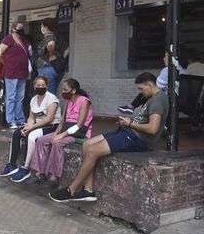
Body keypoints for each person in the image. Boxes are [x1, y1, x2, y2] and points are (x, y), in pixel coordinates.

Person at [49, 72, 168, 203]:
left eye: (141, 88)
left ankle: (71, 190)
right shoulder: (152, 98)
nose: (140, 92)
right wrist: (129, 121)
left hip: (138, 139)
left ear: (149, 85)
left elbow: (153, 129)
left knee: (93, 151)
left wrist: (130, 124)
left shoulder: (158, 100)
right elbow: (143, 121)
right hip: (128, 131)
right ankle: (88, 191)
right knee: (87, 144)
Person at [30, 79, 93, 189]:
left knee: (58, 143)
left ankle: (54, 177)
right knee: (41, 140)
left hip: (79, 133)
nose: (63, 92)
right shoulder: (68, 101)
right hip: (66, 129)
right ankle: (39, 172)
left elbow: (80, 124)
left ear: (73, 90)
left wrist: (62, 135)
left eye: (65, 90)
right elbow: (63, 121)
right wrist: (56, 132)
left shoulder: (85, 101)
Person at [0, 76, 62, 183]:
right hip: (38, 125)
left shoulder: (52, 99)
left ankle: (25, 168)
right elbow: (31, 117)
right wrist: (27, 127)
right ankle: (12, 164)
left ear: (47, 86)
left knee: (31, 135)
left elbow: (49, 119)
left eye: (43, 85)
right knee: (17, 133)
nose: (40, 87)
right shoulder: (33, 99)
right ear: (34, 86)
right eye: (38, 85)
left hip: (52, 126)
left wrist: (31, 128)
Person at [0, 22, 31, 129]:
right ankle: (10, 120)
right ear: (13, 29)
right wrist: (7, 62)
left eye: (22, 27)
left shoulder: (24, 41)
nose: (21, 29)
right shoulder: (8, 39)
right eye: (19, 27)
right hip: (11, 71)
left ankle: (20, 119)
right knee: (11, 96)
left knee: (20, 97)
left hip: (22, 72)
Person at [36, 18, 61, 94]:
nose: (42, 28)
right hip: (50, 68)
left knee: (48, 94)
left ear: (46, 27)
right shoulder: (55, 37)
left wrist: (51, 54)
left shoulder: (49, 37)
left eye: (42, 26)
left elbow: (51, 44)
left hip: (46, 68)